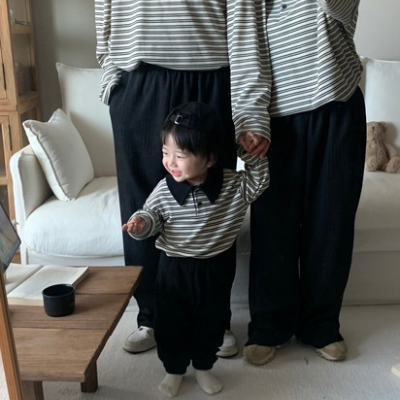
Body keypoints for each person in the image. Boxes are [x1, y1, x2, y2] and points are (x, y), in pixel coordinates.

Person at [94, 1, 271, 357]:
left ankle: (215, 319)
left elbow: (245, 23)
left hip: (212, 75)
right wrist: (112, 76)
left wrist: (251, 112)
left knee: (215, 203)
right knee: (141, 208)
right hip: (140, 81)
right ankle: (152, 317)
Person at [240, 0, 367, 365]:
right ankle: (269, 326)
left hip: (337, 102)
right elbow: (245, 47)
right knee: (272, 225)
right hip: (275, 117)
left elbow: (340, 9)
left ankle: (321, 325)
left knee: (331, 223)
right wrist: (249, 117)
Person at [123, 102, 270, 397]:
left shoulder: (232, 185)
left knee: (211, 321)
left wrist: (248, 153)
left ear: (210, 158)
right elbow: (150, 215)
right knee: (171, 323)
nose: (170, 162)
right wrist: (140, 224)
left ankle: (203, 367)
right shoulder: (164, 189)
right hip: (174, 269)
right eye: (165, 152)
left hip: (215, 267)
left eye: (180, 155)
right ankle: (174, 370)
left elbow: (259, 182)